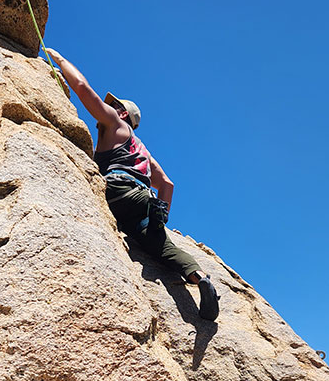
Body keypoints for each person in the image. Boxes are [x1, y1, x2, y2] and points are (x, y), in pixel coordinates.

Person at [45, 48, 219, 321]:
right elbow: (167, 184)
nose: (109, 108)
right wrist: (161, 215)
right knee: (163, 248)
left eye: (115, 106)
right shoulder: (142, 151)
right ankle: (200, 279)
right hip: (144, 200)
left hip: (117, 190)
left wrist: (59, 60)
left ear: (123, 114)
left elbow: (81, 87)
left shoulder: (114, 123)